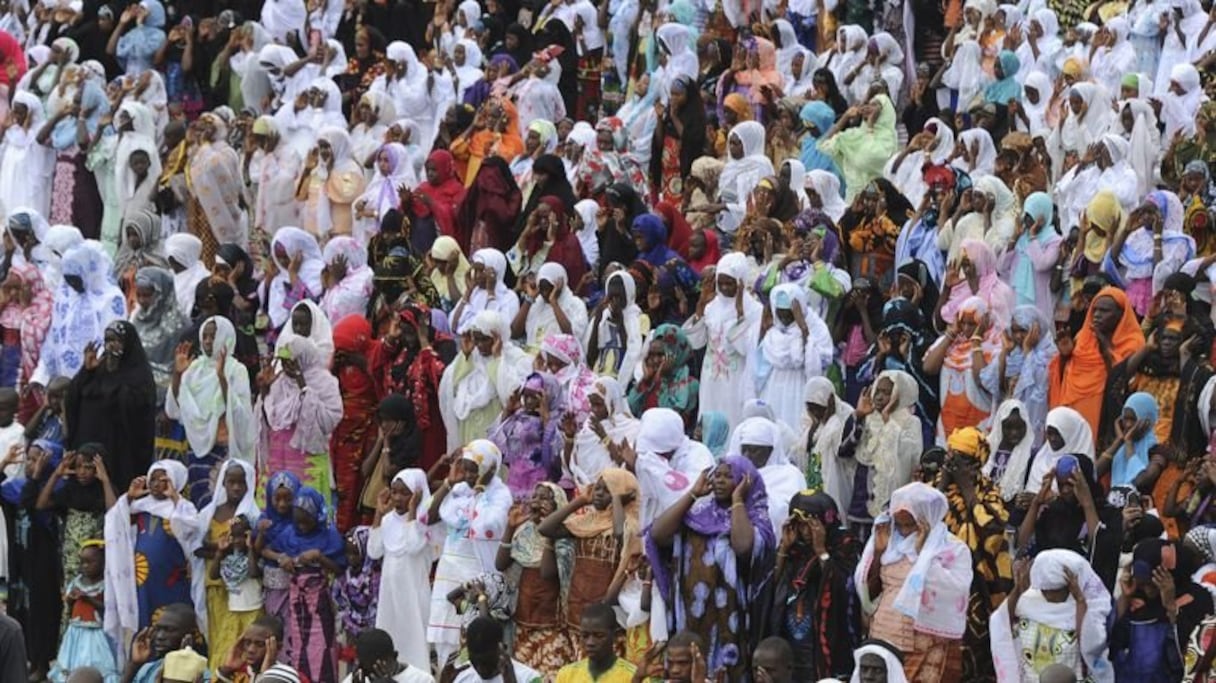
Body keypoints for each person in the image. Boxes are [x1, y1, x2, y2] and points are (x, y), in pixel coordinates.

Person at [646, 455, 776, 680]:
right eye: (717, 475)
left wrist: (737, 500)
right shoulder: (697, 514)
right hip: (692, 619)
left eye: (729, 476)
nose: (720, 481)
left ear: (746, 482)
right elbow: (657, 533)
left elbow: (744, 546)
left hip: (731, 623)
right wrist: (693, 493)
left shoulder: (755, 519)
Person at [854, 482, 973, 682]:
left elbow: (956, 589)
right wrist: (878, 553)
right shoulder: (888, 541)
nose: (904, 531)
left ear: (927, 519)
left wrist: (922, 555)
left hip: (926, 639)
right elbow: (870, 590)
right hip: (885, 632)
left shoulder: (952, 549)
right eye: (899, 524)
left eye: (910, 525)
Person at [425, 440, 511, 665]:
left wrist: (480, 494)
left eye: (475, 470)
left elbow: (487, 526)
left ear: (490, 468)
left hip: (475, 572)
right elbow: (429, 517)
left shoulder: (500, 495)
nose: (470, 475)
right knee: (447, 651)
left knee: (472, 643)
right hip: (447, 573)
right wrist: (448, 484)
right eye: (467, 469)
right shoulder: (459, 490)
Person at [769, 490, 861, 680]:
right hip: (793, 639)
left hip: (827, 638)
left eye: (810, 525)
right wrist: (784, 549)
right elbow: (772, 585)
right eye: (800, 525)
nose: (804, 532)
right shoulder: (795, 548)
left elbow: (844, 589)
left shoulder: (843, 544)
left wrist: (820, 551)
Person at [990, 549, 1115, 683]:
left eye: (1056, 590)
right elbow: (1001, 622)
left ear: (1070, 585)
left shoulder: (1089, 609)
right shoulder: (1028, 603)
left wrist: (1079, 600)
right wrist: (1018, 589)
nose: (1050, 596)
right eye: (1045, 591)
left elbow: (1090, 646)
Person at [166, 316, 255, 504]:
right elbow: (176, 408)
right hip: (196, 451)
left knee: (223, 504)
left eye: (213, 336)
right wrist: (178, 374)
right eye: (204, 336)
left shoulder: (236, 370)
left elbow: (240, 414)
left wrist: (222, 378)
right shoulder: (194, 368)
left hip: (223, 450)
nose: (207, 341)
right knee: (200, 503)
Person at [264, 485, 348, 682]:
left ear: (317, 516)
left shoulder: (329, 535)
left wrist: (319, 557)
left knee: (322, 647)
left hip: (320, 604)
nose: (301, 526)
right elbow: (266, 550)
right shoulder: (289, 533)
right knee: (298, 647)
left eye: (306, 522)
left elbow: (340, 568)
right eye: (298, 522)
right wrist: (281, 558)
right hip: (296, 602)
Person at [257, 336, 343, 505]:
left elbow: (329, 421)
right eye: (284, 362)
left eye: (292, 362)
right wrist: (264, 389)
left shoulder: (325, 382)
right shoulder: (279, 382)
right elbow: (270, 420)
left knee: (306, 511)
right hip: (278, 462)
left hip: (307, 463)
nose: (288, 367)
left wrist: (303, 386)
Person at [368, 469, 436, 674]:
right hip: (390, 594)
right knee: (390, 637)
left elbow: (414, 545)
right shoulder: (388, 520)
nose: (397, 498)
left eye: (404, 493)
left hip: (414, 593)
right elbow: (373, 551)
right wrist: (378, 514)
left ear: (416, 494)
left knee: (415, 641)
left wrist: (413, 513)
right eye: (394, 492)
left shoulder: (424, 521)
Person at [441, 615, 542, 682]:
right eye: (474, 662)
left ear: (500, 649)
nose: (480, 669)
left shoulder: (529, 678)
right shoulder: (461, 678)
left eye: (485, 661)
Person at [554, 603, 637, 682]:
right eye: (585, 636)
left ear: (614, 636)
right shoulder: (566, 675)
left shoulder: (633, 676)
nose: (590, 643)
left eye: (599, 636)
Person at [342, 628, 434, 683]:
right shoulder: (356, 679)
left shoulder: (422, 679)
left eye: (379, 668)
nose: (373, 675)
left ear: (394, 656)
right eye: (369, 670)